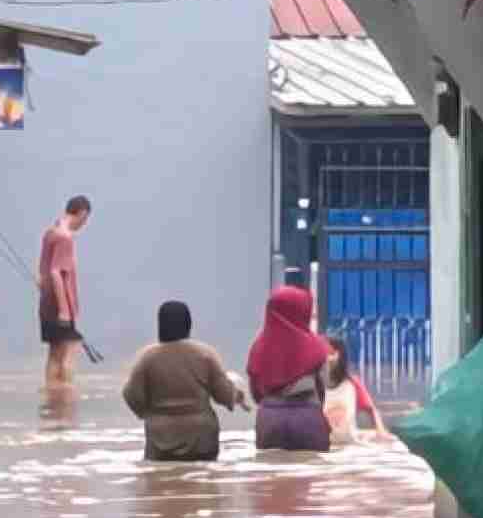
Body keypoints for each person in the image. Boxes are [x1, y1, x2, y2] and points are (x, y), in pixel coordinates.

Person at [119, 299, 247, 462]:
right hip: (201, 436)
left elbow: (131, 395)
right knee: (202, 482)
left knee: (159, 483)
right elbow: (223, 393)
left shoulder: (147, 358)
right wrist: (237, 396)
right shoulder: (205, 354)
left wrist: (149, 413)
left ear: (160, 324)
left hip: (160, 435)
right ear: (188, 324)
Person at [246, 283, 350, 453]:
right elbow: (326, 383)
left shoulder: (258, 347)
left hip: (269, 420)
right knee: (309, 473)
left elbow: (255, 394)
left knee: (271, 475)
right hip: (307, 420)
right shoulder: (317, 346)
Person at [38, 196, 92, 388]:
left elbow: (43, 271)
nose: (83, 225)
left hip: (46, 302)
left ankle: (52, 397)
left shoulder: (50, 233)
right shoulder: (65, 237)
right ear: (82, 214)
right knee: (70, 348)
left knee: (55, 352)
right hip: (60, 304)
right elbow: (56, 272)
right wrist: (63, 309)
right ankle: (66, 397)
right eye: (85, 220)